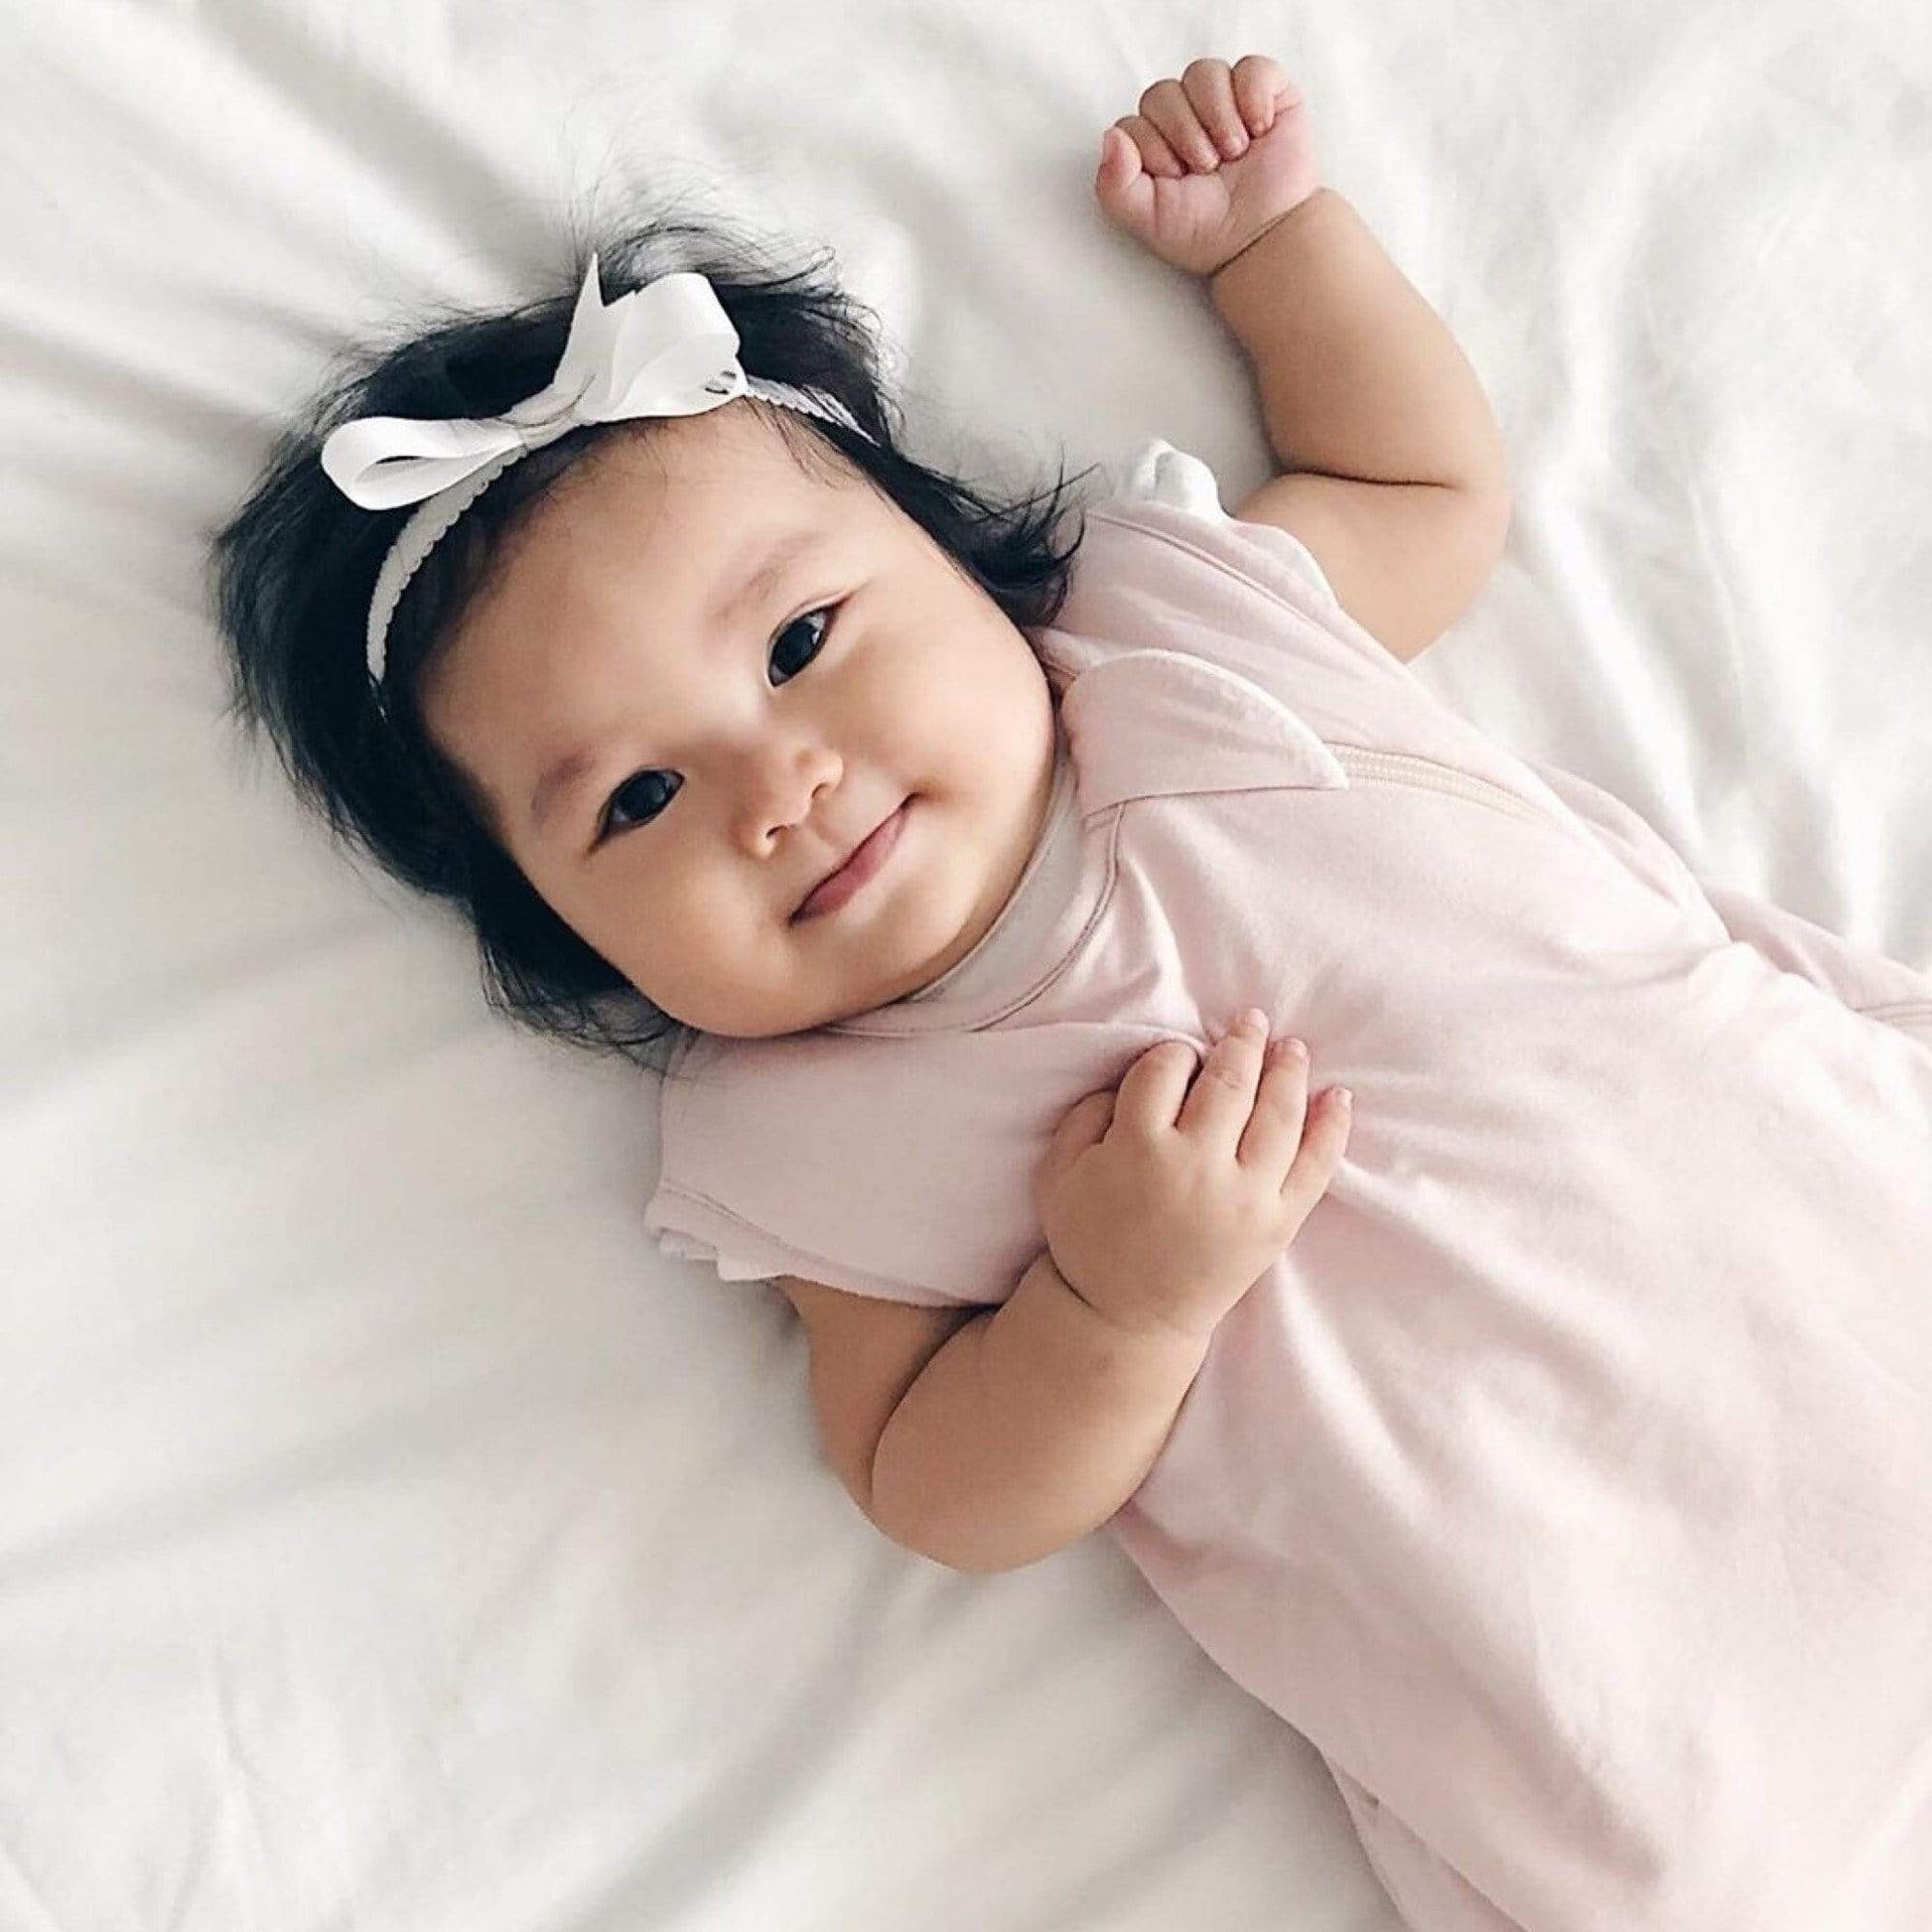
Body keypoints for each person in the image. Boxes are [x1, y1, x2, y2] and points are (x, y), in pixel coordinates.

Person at [209, 53, 1932, 1932]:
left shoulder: (1184, 631)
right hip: (1626, 1693)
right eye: (636, 799)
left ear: (961, 564)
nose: (777, 788)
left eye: (799, 641)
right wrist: (1117, 1302)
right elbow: (933, 1485)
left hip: (1840, 1249)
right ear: (566, 936)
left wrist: (1275, 247)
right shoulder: (804, 1123)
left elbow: (1419, 486)